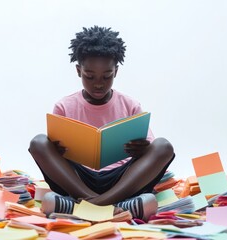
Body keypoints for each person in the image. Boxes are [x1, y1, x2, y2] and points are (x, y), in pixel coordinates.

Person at [29, 26, 175, 221]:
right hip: (77, 180)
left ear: (116, 71)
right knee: (38, 142)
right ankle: (114, 206)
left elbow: (151, 149)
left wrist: (142, 148)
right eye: (89, 76)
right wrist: (57, 151)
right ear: (78, 70)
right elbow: (52, 154)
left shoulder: (130, 105)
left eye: (107, 76)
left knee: (163, 146)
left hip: (122, 180)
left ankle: (89, 206)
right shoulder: (64, 106)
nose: (98, 83)